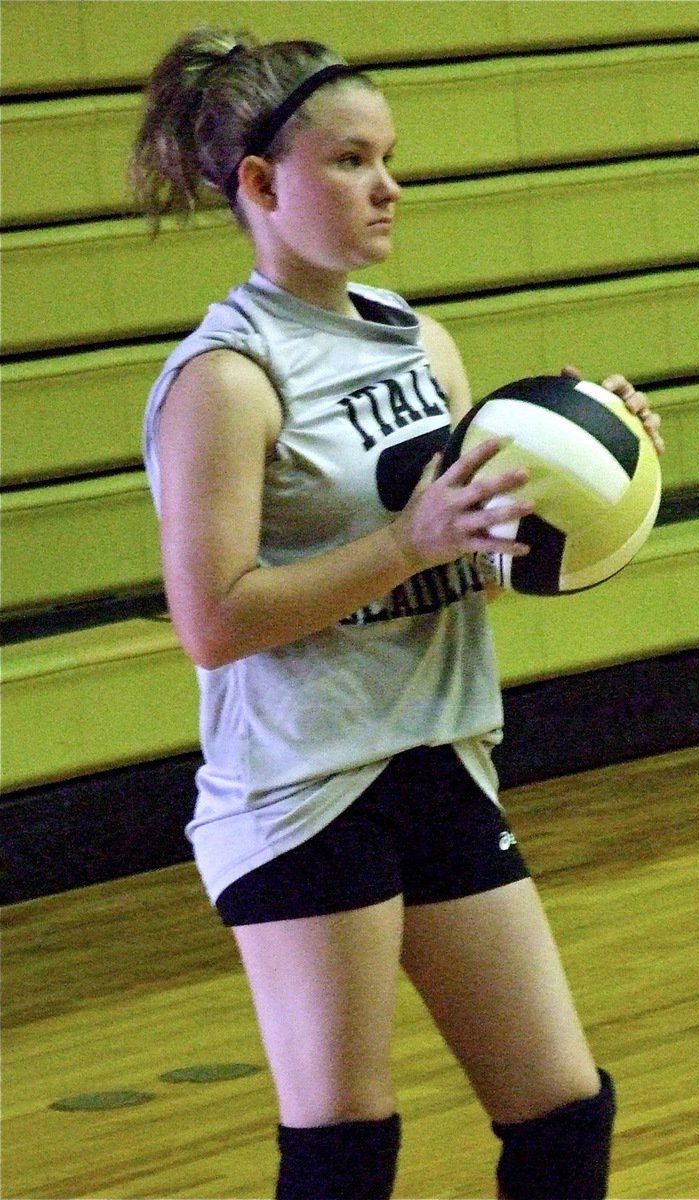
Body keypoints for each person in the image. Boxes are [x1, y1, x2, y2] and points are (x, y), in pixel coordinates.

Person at [132, 28, 663, 1200]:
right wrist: (402, 542)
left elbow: (474, 560)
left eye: (390, 157)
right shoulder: (226, 379)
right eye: (352, 160)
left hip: (433, 755)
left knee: (563, 1113)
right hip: (303, 790)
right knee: (345, 1146)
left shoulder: (418, 340)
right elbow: (211, 622)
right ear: (263, 186)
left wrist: (599, 475)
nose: (390, 186)